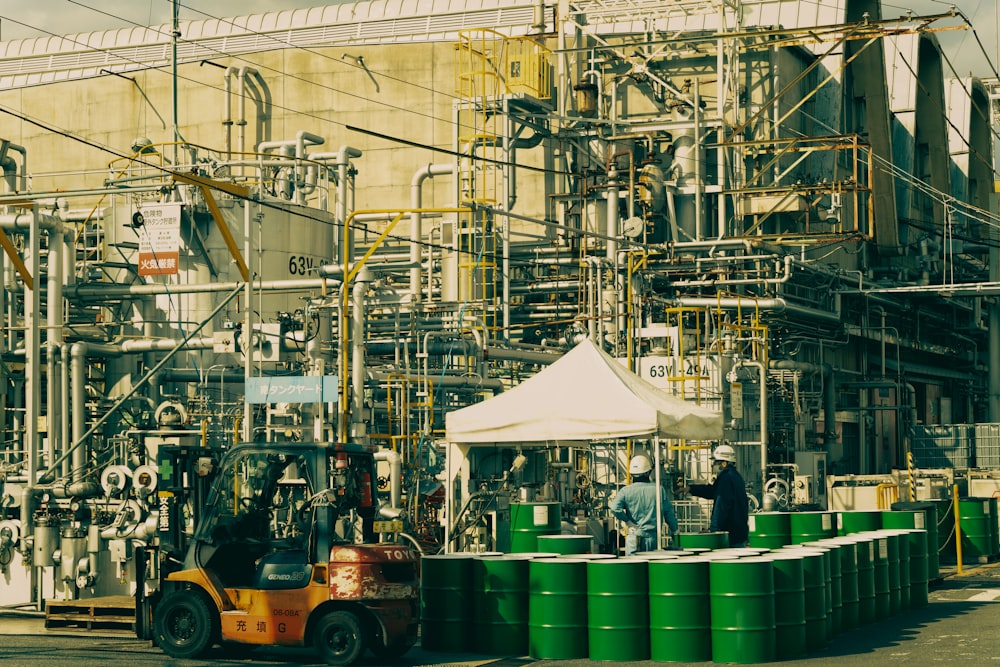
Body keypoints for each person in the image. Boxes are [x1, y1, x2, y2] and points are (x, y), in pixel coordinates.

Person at [609, 454, 679, 555]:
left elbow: (614, 508)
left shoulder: (625, 491)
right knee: (652, 569)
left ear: (632, 474)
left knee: (633, 569)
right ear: (648, 472)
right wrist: (674, 530)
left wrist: (628, 521)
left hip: (634, 536)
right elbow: (668, 513)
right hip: (653, 538)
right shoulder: (658, 490)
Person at [684, 444, 749, 547]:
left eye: (715, 462)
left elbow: (721, 504)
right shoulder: (736, 476)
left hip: (729, 535)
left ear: (724, 463)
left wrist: (714, 530)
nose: (713, 465)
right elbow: (713, 491)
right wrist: (692, 488)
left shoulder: (726, 479)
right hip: (740, 532)